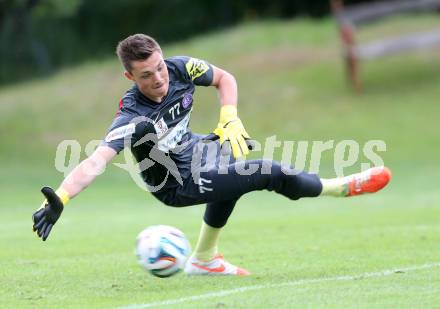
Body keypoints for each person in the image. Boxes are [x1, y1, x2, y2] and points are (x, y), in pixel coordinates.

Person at [32, 34, 391, 276]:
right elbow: (96, 160)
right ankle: (339, 187)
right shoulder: (132, 116)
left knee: (234, 163)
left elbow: (225, 78)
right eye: (146, 74)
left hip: (197, 150)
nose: (159, 78)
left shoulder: (180, 68)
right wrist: (62, 197)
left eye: (159, 66)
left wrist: (229, 115)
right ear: (129, 75)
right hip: (175, 182)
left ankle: (204, 258)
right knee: (265, 172)